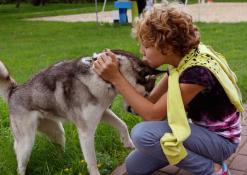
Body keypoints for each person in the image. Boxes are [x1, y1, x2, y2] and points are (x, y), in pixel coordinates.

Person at [93, 3, 243, 175]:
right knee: (135, 166)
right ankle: (198, 154)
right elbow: (151, 103)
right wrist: (121, 73)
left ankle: (213, 170)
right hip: (200, 133)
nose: (141, 50)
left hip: (221, 142)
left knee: (142, 134)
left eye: (146, 46)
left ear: (167, 46)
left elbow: (152, 115)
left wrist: (116, 78)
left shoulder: (196, 73)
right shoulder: (179, 63)